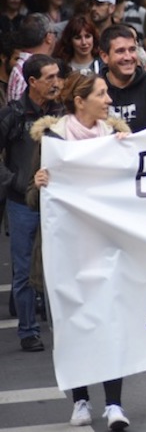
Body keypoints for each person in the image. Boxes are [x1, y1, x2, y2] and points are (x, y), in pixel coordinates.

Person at [28, 71, 131, 429]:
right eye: (102, 94)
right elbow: (32, 198)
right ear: (79, 101)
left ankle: (114, 404)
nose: (108, 100)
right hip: (67, 253)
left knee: (110, 325)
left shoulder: (116, 138)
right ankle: (81, 401)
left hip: (107, 248)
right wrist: (38, 183)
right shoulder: (53, 139)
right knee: (74, 326)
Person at [0, 54, 64, 353]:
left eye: (58, 76)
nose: (56, 82)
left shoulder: (64, 111)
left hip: (59, 203)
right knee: (24, 271)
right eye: (49, 78)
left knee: (59, 267)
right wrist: (14, 182)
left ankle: (61, 327)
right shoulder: (13, 114)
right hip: (22, 205)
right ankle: (28, 331)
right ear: (32, 82)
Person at [100, 24, 146, 132]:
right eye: (120, 51)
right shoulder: (96, 89)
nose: (128, 57)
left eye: (132, 50)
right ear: (104, 56)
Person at [7, 14, 57, 102]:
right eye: (54, 34)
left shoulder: (20, 68)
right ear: (49, 37)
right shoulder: (26, 71)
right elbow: (21, 113)